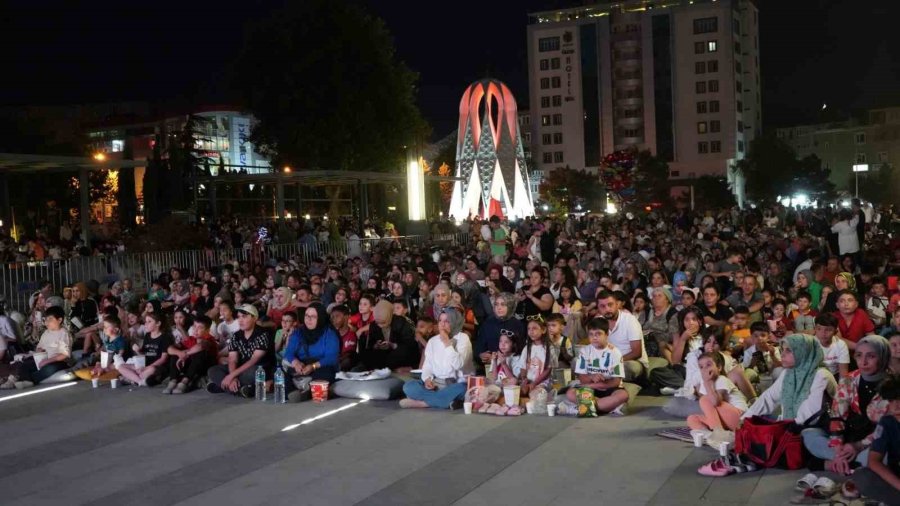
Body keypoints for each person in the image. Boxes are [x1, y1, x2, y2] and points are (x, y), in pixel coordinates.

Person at [803, 334, 891, 475]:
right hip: (851, 435)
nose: (863, 362)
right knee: (809, 434)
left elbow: (886, 428)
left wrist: (858, 446)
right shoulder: (849, 380)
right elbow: (837, 417)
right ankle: (845, 463)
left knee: (885, 456)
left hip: (876, 440)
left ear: (883, 357)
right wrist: (838, 450)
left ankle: (830, 464)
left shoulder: (893, 385)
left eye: (871, 356)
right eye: (859, 355)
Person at [742, 333, 837, 424]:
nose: (782, 354)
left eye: (789, 350)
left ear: (803, 352)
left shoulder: (821, 375)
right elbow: (768, 398)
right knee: (754, 420)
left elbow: (810, 415)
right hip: (790, 424)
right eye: (782, 349)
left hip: (813, 428)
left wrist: (784, 427)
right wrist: (744, 419)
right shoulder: (789, 373)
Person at [400, 307, 473, 409]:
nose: (442, 324)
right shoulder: (432, 341)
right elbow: (427, 366)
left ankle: (423, 403)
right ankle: (444, 401)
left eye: (447, 321)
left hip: (455, 383)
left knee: (463, 390)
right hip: (436, 384)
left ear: (454, 322)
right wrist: (427, 380)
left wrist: (447, 342)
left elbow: (458, 364)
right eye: (440, 321)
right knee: (409, 386)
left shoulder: (463, 338)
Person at [850, 376, 900, 505]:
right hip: (896, 480)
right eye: (892, 399)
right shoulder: (886, 423)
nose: (896, 405)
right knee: (862, 476)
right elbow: (873, 461)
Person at [206, 304, 274, 398]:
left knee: (254, 372)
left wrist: (230, 376)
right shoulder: (236, 335)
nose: (240, 320)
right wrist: (232, 377)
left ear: (254, 318)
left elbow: (253, 360)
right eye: (238, 317)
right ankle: (242, 389)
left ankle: (224, 387)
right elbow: (233, 359)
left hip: (259, 368)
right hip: (240, 369)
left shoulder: (263, 334)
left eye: (244, 317)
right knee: (213, 370)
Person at [568, 317, 630, 415]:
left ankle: (583, 407)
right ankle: (611, 408)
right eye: (591, 334)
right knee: (570, 393)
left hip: (609, 388)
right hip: (590, 389)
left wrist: (592, 384)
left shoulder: (615, 352)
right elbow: (582, 378)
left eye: (598, 334)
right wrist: (592, 376)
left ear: (607, 334)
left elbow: (616, 382)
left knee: (623, 395)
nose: (594, 337)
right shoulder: (584, 351)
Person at [0, 306, 72, 389]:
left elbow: (64, 355)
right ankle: (18, 379)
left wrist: (47, 361)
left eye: (50, 319)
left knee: (48, 369)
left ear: (59, 320)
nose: (47, 322)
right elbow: (39, 348)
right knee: (24, 365)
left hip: (58, 361)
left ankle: (27, 380)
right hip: (44, 359)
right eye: (46, 319)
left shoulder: (64, 334)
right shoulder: (46, 333)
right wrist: (39, 351)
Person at [283, 304, 340, 402]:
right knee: (279, 372)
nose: (308, 319)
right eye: (306, 315)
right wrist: (296, 363)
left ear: (321, 318)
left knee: (327, 373)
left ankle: (306, 392)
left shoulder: (329, 333)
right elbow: (289, 353)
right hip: (300, 368)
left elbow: (332, 357)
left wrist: (313, 366)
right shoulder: (298, 332)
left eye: (313, 317)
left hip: (319, 367)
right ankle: (293, 392)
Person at [686, 351, 748, 432]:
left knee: (705, 399)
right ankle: (708, 435)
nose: (705, 369)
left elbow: (715, 402)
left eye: (708, 365)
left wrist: (707, 382)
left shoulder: (722, 379)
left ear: (719, 367)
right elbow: (709, 409)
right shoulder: (704, 383)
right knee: (692, 419)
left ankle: (718, 432)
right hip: (724, 419)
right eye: (701, 367)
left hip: (740, 418)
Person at [595, 290, 648, 382]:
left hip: (632, 362)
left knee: (628, 367)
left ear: (617, 304)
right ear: (598, 308)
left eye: (610, 305)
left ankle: (604, 381)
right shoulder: (598, 322)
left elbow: (636, 353)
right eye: (602, 306)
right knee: (577, 361)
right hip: (607, 363)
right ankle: (604, 381)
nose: (607, 309)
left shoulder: (630, 320)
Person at [356, 299, 419, 371]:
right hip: (382, 354)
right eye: (378, 323)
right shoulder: (374, 325)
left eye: (383, 322)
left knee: (400, 354)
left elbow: (410, 345)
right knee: (366, 355)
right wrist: (376, 345)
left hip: (398, 352)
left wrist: (393, 345)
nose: (380, 326)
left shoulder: (401, 322)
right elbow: (370, 344)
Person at [162, 315, 217, 394]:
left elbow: (200, 346)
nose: (196, 330)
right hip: (191, 367)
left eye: (200, 327)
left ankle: (185, 381)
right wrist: (180, 353)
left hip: (205, 367)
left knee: (199, 353)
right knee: (176, 353)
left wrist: (185, 354)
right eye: (194, 326)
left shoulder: (209, 339)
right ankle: (173, 380)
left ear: (207, 330)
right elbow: (169, 349)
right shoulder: (192, 339)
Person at [116, 313, 171, 387]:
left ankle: (131, 378)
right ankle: (139, 381)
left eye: (149, 321)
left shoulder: (165, 337)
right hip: (145, 365)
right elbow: (144, 355)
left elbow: (163, 359)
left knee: (152, 369)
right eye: (145, 321)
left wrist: (146, 368)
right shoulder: (147, 336)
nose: (146, 324)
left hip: (156, 366)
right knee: (121, 367)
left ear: (158, 323)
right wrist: (138, 351)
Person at [475, 293, 525, 371]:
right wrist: (481, 355)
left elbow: (520, 350)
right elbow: (479, 345)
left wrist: (497, 358)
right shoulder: (488, 323)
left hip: (512, 367)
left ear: (510, 306)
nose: (499, 308)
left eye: (503, 305)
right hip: (490, 367)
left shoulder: (517, 325)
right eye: (496, 304)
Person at [513, 317, 552, 396]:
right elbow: (523, 367)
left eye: (534, 328)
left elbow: (547, 370)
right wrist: (524, 379)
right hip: (529, 380)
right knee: (518, 392)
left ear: (543, 330)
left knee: (535, 394)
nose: (531, 331)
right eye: (529, 329)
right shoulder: (527, 348)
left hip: (543, 381)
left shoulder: (549, 348)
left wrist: (534, 383)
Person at [329, 305, 358, 371]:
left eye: (337, 316)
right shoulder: (329, 334)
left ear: (346, 317)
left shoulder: (354, 333)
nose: (334, 320)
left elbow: (352, 355)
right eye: (332, 317)